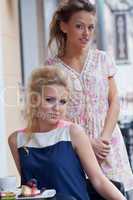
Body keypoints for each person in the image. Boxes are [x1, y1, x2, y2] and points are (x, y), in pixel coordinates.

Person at [45, 0, 133, 196]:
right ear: (64, 26)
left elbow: (114, 100)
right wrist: (86, 142)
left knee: (117, 192)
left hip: (107, 144)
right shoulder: (51, 67)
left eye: (91, 27)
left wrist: (103, 138)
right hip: (74, 147)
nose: (86, 33)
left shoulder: (102, 59)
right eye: (79, 26)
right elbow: (53, 113)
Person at [8, 66, 126, 200]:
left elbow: (98, 179)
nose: (57, 108)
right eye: (49, 100)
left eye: (62, 101)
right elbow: (29, 188)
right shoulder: (16, 140)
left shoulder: (73, 133)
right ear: (34, 100)